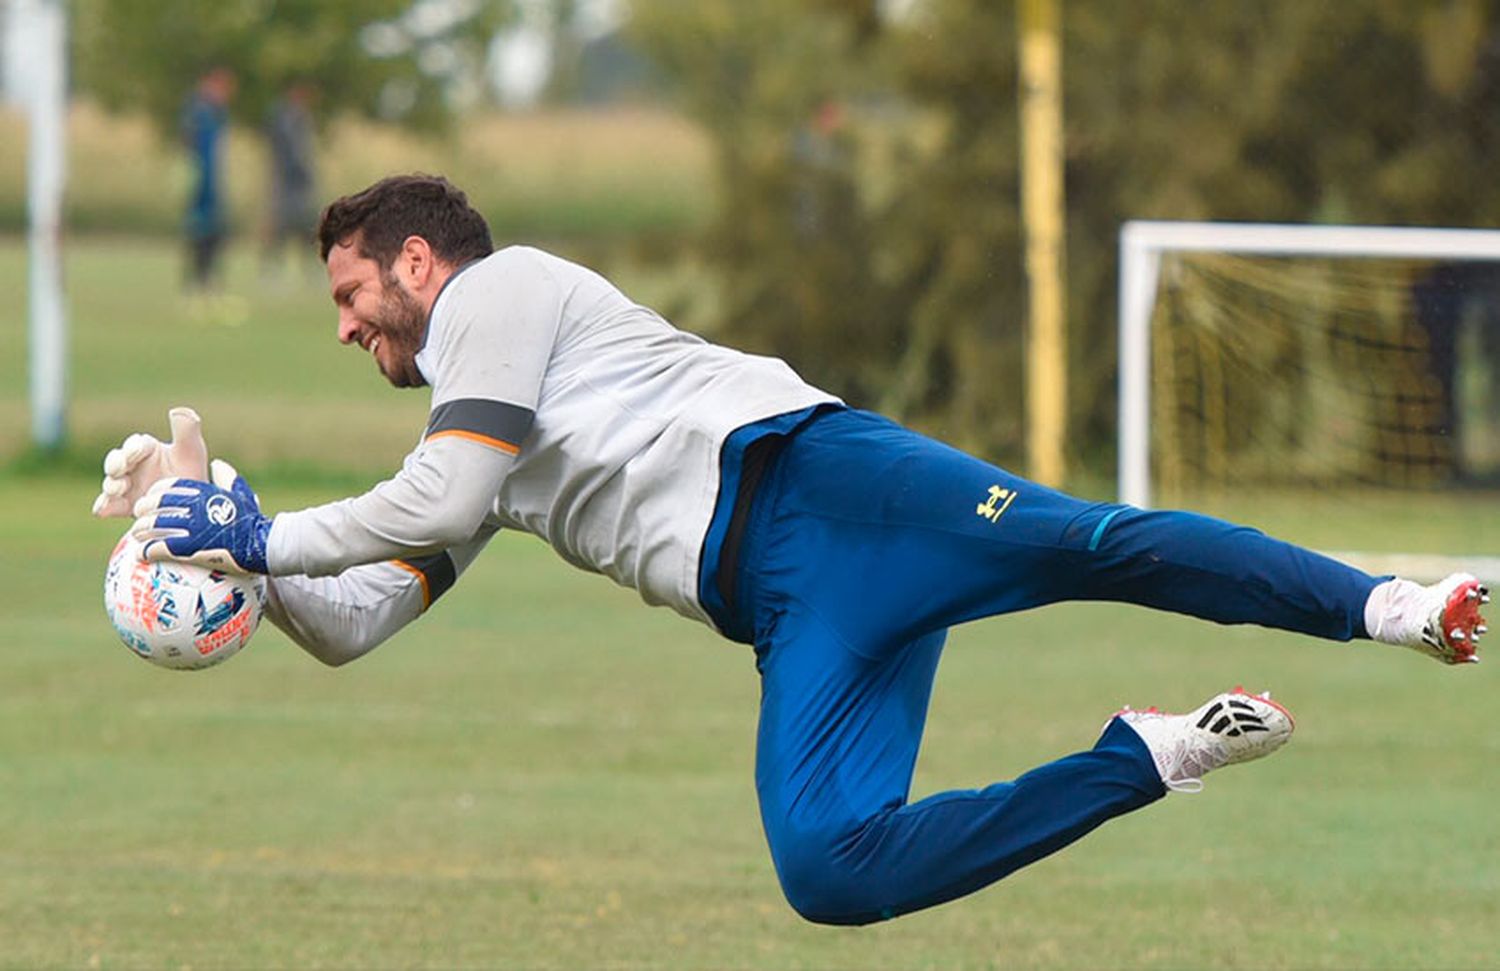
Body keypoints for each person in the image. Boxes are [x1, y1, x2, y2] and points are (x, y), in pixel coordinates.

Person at [92, 174, 1489, 926]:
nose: (346, 330)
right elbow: (352, 616)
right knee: (830, 870)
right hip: (787, 606)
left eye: (349, 294)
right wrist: (234, 556)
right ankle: (1152, 754)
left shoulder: (498, 295)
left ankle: (1396, 605)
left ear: (414, 263)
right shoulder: (491, 456)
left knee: (1105, 541)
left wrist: (259, 526)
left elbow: (441, 493)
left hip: (834, 490)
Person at [180, 67, 236, 292]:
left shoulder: (219, 113)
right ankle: (195, 280)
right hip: (199, 181)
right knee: (198, 230)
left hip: (215, 181)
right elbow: (188, 145)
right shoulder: (196, 111)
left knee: (217, 231)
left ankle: (210, 279)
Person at [263, 83, 318, 281]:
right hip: (286, 183)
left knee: (308, 228)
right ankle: (271, 270)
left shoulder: (303, 120)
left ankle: (311, 270)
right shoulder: (283, 120)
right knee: (280, 227)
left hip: (301, 184)